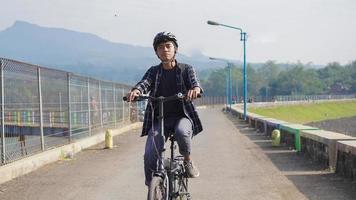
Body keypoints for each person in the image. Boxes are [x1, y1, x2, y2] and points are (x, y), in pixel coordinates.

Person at [127, 31, 203, 186]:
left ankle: (188, 161)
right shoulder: (153, 71)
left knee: (182, 133)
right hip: (160, 119)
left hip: (183, 116)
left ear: (175, 49)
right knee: (150, 153)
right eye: (160, 47)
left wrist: (195, 89)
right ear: (156, 52)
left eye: (168, 46)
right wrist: (136, 91)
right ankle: (153, 187)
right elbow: (144, 83)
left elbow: (195, 83)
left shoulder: (186, 69)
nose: (165, 50)